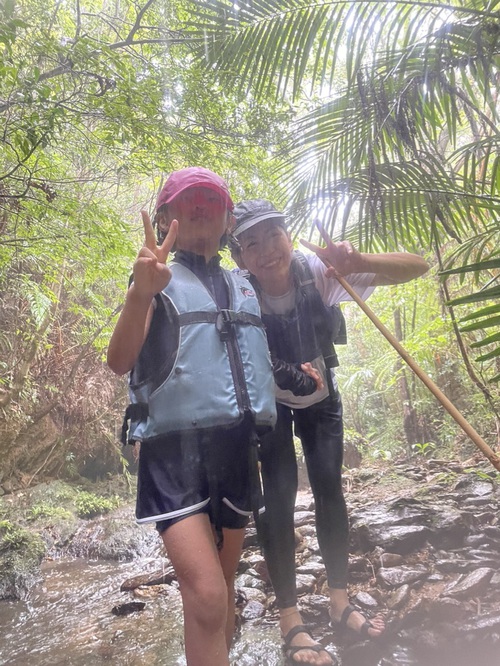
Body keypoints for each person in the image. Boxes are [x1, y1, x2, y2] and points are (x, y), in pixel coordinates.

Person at [231, 199, 430, 666]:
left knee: (329, 492)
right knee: (276, 503)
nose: (265, 252)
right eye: (250, 243)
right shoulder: (236, 290)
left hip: (321, 401)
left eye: (272, 236)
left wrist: (357, 262)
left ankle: (340, 603)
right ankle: (290, 621)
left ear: (288, 235)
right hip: (269, 406)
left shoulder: (319, 273)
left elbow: (416, 266)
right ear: (239, 256)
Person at [107, 169, 279, 666]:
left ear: (227, 219)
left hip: (236, 450)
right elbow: (119, 361)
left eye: (211, 201)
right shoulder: (153, 277)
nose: (200, 208)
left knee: (222, 588)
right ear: (166, 217)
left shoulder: (243, 284)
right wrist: (141, 292)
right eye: (189, 201)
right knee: (205, 596)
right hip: (173, 457)